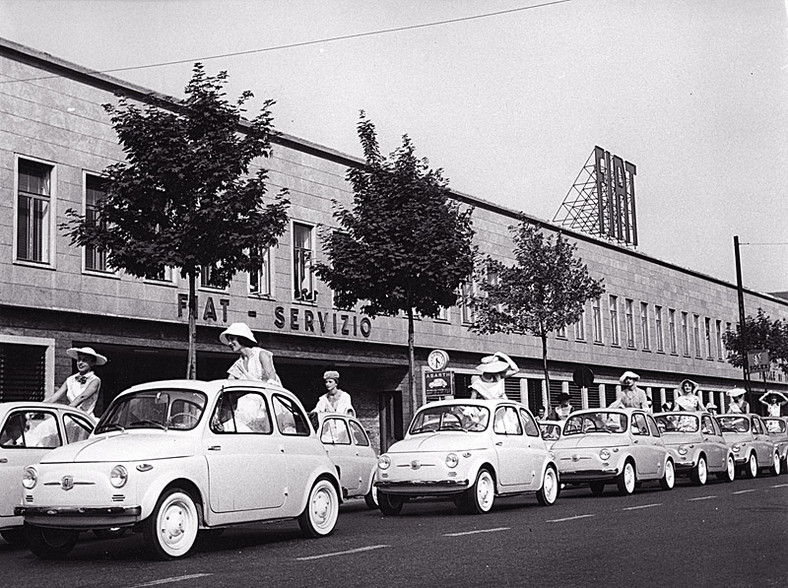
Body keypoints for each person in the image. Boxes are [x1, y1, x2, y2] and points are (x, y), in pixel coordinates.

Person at [48, 346, 106, 416]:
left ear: (92, 363)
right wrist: (39, 408)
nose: (80, 363)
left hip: (84, 418)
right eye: (79, 359)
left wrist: (66, 411)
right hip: (70, 415)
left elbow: (82, 397)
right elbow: (55, 396)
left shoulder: (94, 380)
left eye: (85, 360)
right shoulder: (70, 379)